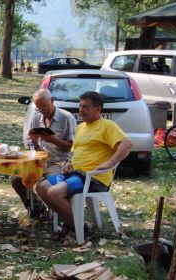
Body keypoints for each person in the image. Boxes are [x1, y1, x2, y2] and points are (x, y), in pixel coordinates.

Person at [36, 91, 133, 240]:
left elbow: (127, 144)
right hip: (75, 174)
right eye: (80, 106)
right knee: (42, 187)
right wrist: (69, 162)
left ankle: (74, 226)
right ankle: (75, 225)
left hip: (93, 178)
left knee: (54, 193)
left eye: (85, 106)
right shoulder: (81, 128)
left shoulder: (107, 126)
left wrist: (111, 162)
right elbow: (74, 151)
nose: (81, 110)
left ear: (98, 109)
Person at [12, 88, 76, 217]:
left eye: (45, 106)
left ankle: (61, 214)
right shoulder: (37, 118)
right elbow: (34, 148)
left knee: (43, 184)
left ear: (52, 101)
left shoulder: (67, 117)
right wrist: (34, 142)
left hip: (60, 162)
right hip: (40, 161)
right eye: (39, 108)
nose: (42, 110)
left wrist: (54, 140)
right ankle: (37, 208)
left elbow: (72, 147)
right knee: (17, 180)